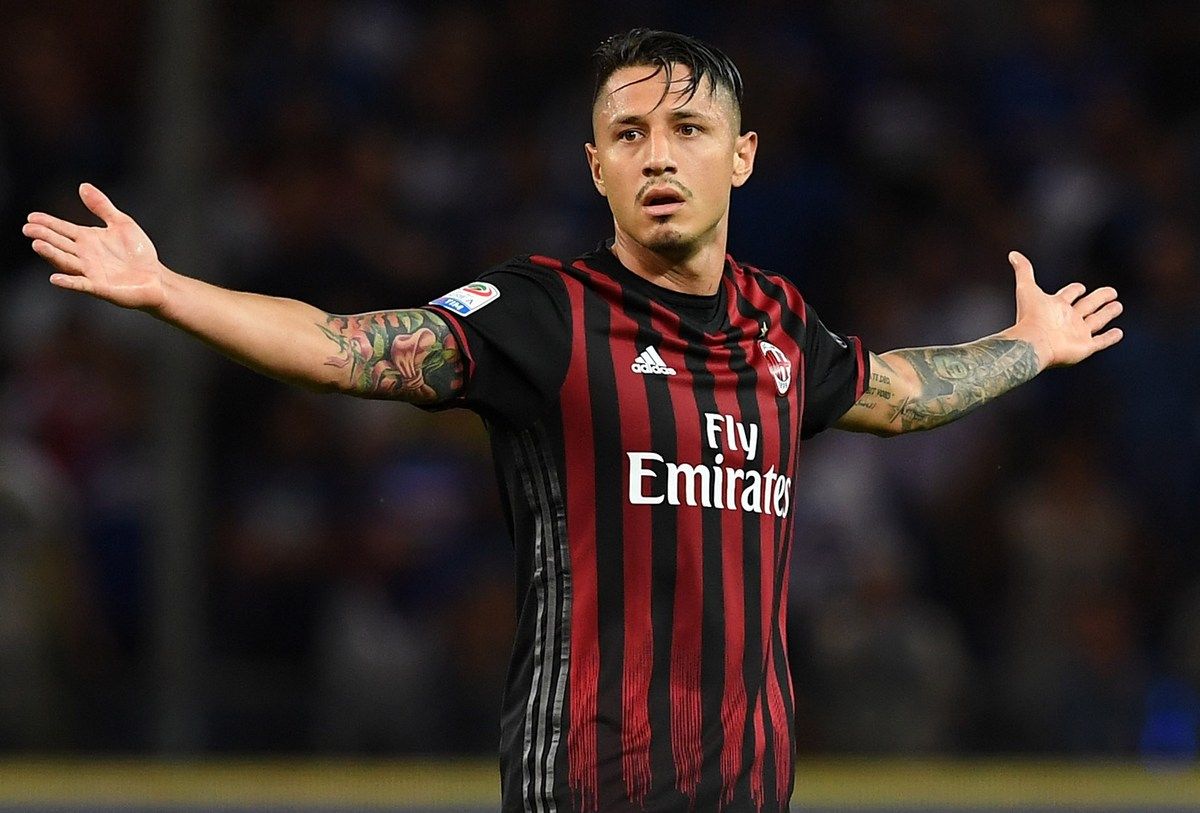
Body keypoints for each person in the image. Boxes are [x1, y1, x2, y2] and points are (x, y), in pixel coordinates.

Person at [22, 28, 1122, 813]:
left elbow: (892, 390)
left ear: (740, 157)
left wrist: (1031, 346)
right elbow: (338, 346)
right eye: (628, 132)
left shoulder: (782, 326)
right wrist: (171, 290)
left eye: (688, 128)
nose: (657, 153)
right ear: (595, 167)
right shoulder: (544, 312)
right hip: (585, 783)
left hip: (752, 787)